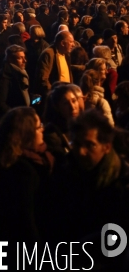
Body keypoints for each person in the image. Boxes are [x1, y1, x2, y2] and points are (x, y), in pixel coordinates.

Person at [53, 110, 129, 264]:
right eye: (77, 144)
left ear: (106, 147)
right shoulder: (62, 172)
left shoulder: (122, 182)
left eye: (90, 145)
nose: (81, 152)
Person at [0, 107, 54, 243]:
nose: (42, 130)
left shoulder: (12, 159)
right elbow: (26, 219)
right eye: (38, 127)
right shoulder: (23, 171)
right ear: (26, 134)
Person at [43, 84, 84, 155]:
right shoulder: (52, 133)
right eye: (66, 103)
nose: (72, 107)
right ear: (57, 107)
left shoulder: (83, 125)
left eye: (74, 101)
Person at [0, 44, 30, 118]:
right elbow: (1, 103)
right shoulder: (4, 76)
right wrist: (16, 115)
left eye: (24, 57)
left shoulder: (21, 73)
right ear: (10, 59)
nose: (25, 61)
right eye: (20, 58)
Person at [36, 30, 74, 97]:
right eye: (71, 42)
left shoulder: (66, 54)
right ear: (62, 43)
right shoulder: (49, 54)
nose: (73, 45)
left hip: (65, 95)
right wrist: (54, 94)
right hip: (56, 97)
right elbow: (43, 79)